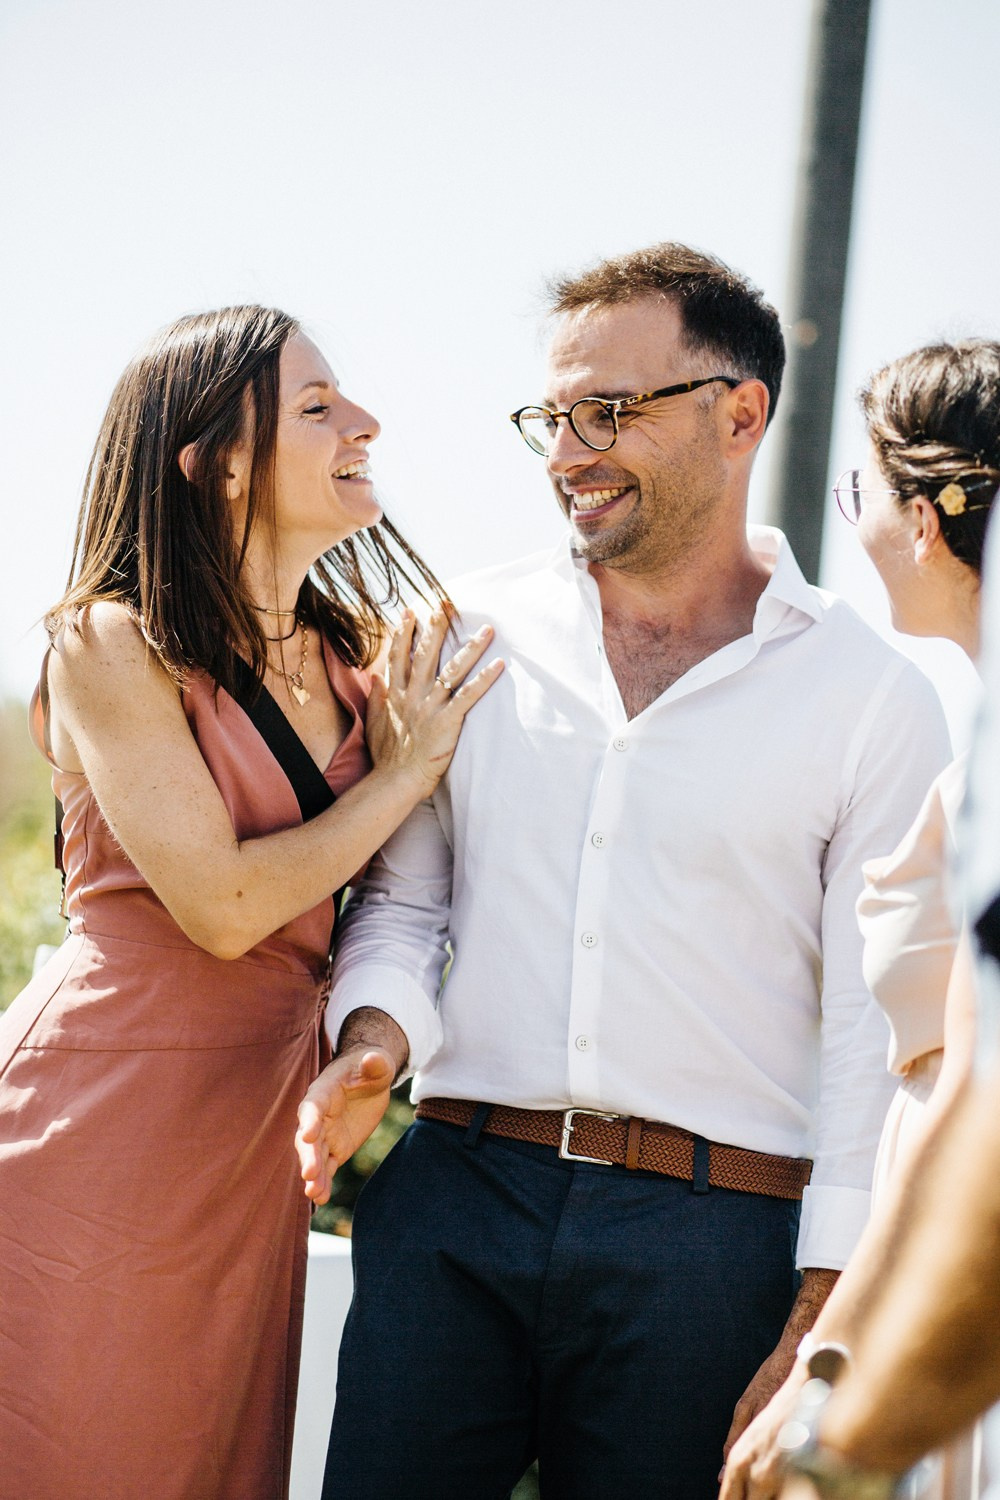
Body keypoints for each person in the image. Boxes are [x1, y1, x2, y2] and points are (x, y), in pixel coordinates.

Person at [296, 243, 950, 1500]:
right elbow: (408, 900)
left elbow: (869, 1033)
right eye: (552, 416)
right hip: (453, 1200)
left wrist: (823, 1307)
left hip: (719, 1246)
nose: (567, 453)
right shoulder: (463, 636)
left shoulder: (871, 697)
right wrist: (372, 1048)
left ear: (739, 412)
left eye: (609, 411)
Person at [0, 305, 502, 1500]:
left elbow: (399, 892)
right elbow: (222, 905)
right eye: (319, 407)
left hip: (257, 1133)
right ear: (217, 461)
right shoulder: (106, 642)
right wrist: (401, 773)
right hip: (103, 1117)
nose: (365, 423)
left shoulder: (357, 657)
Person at [721, 339, 1000, 1500]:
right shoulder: (973, 743)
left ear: (925, 520)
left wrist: (834, 1383)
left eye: (861, 492)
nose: (858, 527)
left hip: (954, 1284)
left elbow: (975, 1103)